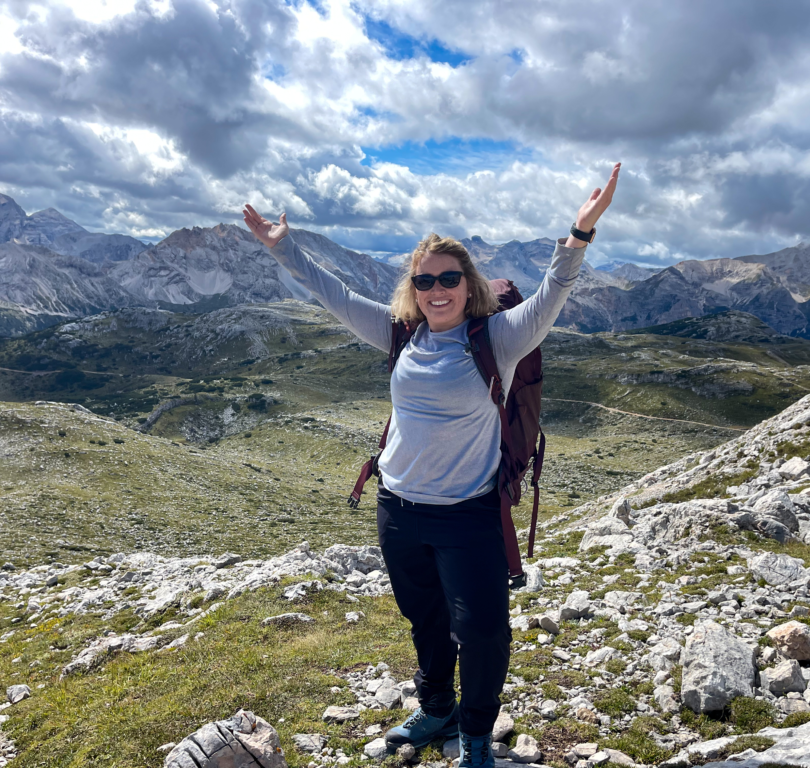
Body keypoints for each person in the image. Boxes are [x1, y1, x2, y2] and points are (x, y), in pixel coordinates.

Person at [243, 162, 620, 768]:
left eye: (449, 278)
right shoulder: (398, 334)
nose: (436, 289)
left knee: (483, 632)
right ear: (412, 288)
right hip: (398, 510)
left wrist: (578, 235)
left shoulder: (498, 339)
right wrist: (284, 247)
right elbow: (332, 292)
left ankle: (475, 732)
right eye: (424, 281)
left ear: (467, 284)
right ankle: (437, 707)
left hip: (469, 515)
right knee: (425, 620)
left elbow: (554, 294)